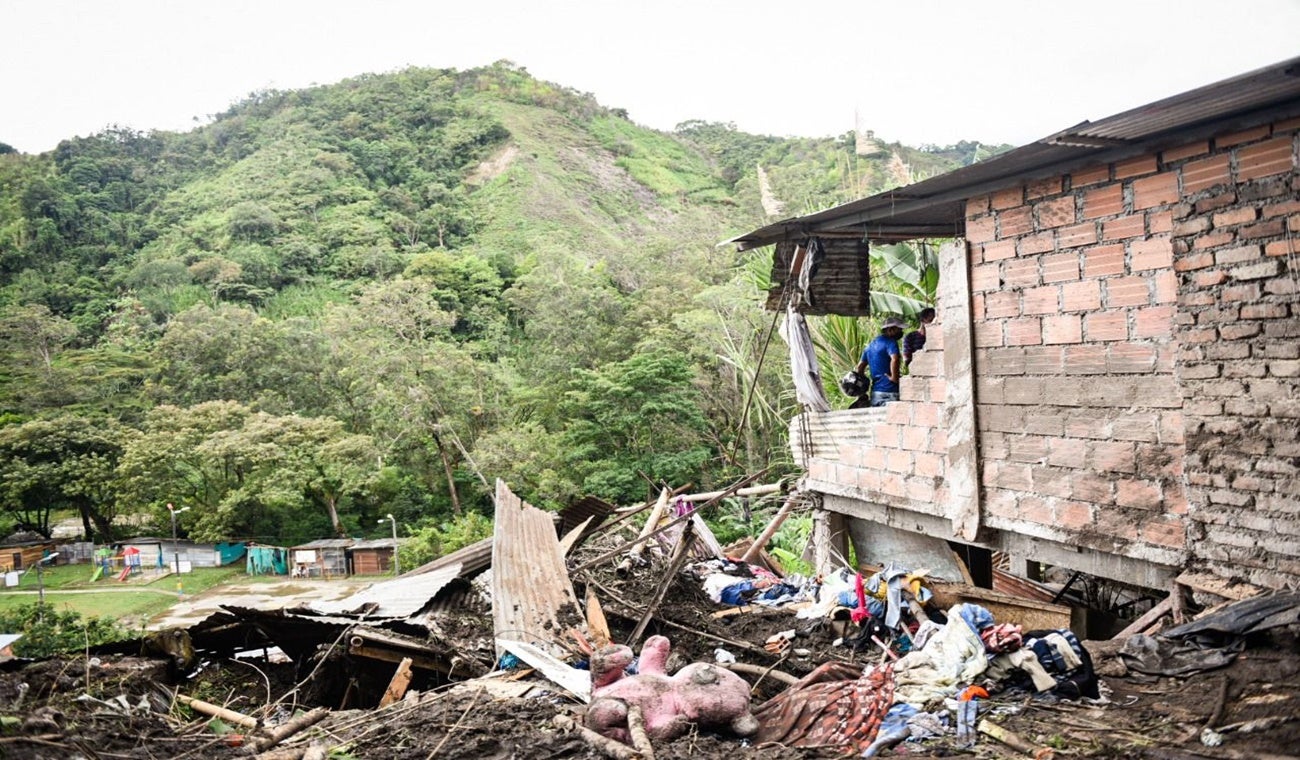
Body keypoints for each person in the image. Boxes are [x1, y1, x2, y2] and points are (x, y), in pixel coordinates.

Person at [855, 317, 907, 407]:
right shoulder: (891, 342)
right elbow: (894, 359)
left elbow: (860, 367)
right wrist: (894, 377)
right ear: (891, 329)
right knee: (891, 419)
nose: (901, 332)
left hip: (876, 392)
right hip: (890, 391)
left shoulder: (870, 345)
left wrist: (864, 382)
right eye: (899, 329)